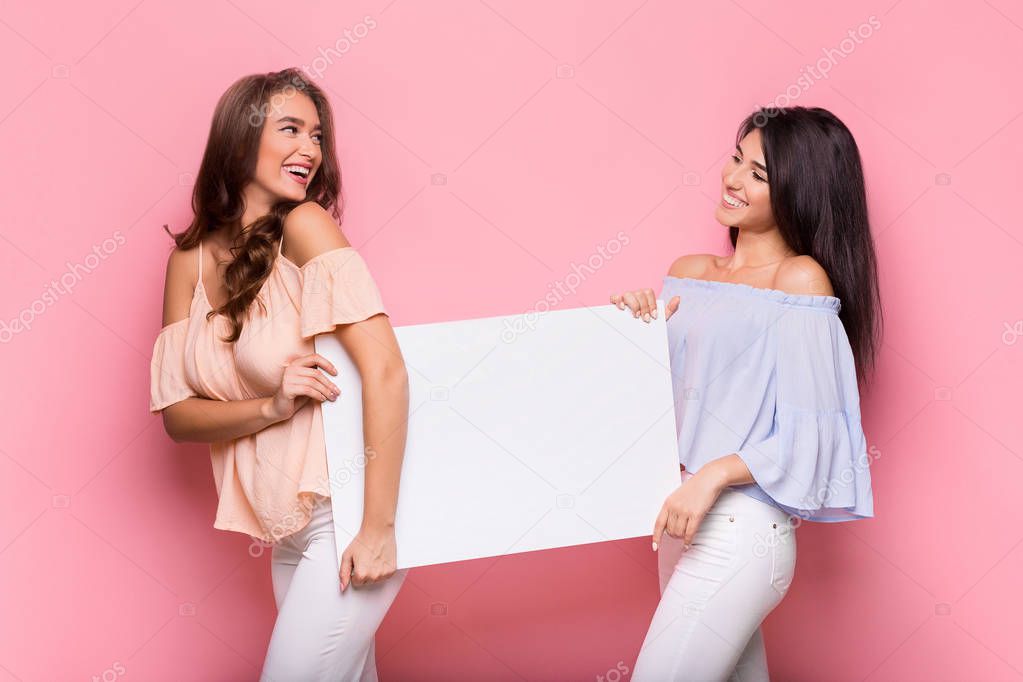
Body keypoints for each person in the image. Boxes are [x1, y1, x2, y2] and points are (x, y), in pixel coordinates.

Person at [148, 68, 408, 681]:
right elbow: (178, 417)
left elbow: (388, 372)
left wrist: (378, 529)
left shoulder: (305, 226)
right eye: (291, 129)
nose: (311, 151)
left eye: (317, 136)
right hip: (286, 529)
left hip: (346, 515)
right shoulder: (188, 259)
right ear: (239, 138)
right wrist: (270, 406)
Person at [610, 106, 881, 681]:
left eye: (759, 175)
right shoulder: (688, 272)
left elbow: (812, 439)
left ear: (798, 193)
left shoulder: (799, 280)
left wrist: (710, 476)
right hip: (680, 524)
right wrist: (628, 331)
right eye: (737, 159)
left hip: (742, 530)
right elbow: (653, 406)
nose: (733, 179)